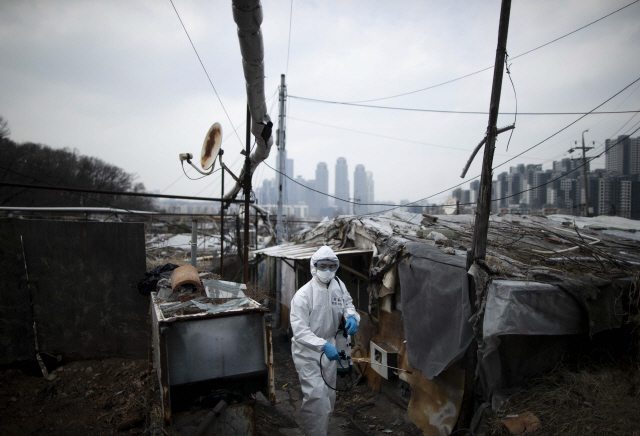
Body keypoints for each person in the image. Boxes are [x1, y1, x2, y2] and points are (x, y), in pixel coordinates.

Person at [290, 245, 360, 436]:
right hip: (308, 352)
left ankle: (322, 430)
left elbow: (347, 303)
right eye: (323, 266)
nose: (327, 270)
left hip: (330, 347)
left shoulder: (338, 284)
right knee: (316, 399)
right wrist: (322, 345)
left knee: (329, 395)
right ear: (314, 267)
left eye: (331, 265)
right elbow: (299, 331)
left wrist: (352, 316)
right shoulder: (303, 295)